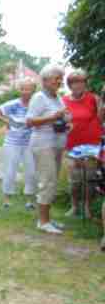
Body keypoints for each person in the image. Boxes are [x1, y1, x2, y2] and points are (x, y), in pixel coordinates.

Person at [26, 64, 68, 234]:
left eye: (60, 78)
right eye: (56, 78)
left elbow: (57, 119)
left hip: (56, 143)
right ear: (44, 81)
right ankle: (43, 222)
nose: (60, 81)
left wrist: (66, 123)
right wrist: (53, 117)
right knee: (47, 182)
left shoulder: (57, 97)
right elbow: (29, 121)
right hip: (43, 145)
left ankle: (47, 219)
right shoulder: (39, 97)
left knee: (52, 182)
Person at [62, 68, 104, 218]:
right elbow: (61, 121)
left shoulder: (94, 98)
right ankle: (74, 206)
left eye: (81, 82)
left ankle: (87, 207)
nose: (78, 85)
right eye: (74, 82)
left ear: (85, 84)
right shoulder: (63, 100)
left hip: (92, 143)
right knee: (75, 178)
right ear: (70, 85)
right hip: (72, 144)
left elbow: (101, 119)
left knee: (90, 178)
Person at [0, 77, 38, 210]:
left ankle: (30, 200)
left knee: (31, 172)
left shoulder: (36, 104)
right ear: (19, 90)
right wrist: (8, 122)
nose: (25, 91)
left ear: (33, 89)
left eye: (28, 89)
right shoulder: (13, 104)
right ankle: (6, 199)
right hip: (12, 143)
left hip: (30, 143)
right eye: (22, 89)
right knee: (10, 171)